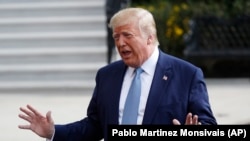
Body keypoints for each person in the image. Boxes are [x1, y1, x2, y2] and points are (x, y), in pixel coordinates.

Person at [18, 7, 217, 141]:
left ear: (150, 38)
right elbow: (95, 125)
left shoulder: (187, 75)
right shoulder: (107, 76)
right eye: (116, 37)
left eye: (127, 36)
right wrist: (53, 132)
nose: (120, 43)